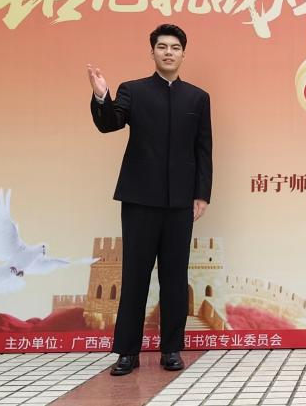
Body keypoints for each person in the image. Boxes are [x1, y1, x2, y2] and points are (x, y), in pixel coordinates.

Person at [87, 23, 212, 375]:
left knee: (174, 278)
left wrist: (201, 194)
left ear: (183, 54)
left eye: (175, 47)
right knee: (135, 276)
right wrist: (102, 96)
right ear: (152, 52)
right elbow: (109, 123)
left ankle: (171, 349)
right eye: (162, 47)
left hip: (180, 202)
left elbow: (204, 150)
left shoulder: (197, 98)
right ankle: (127, 352)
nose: (168, 52)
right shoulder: (133, 91)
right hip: (139, 199)